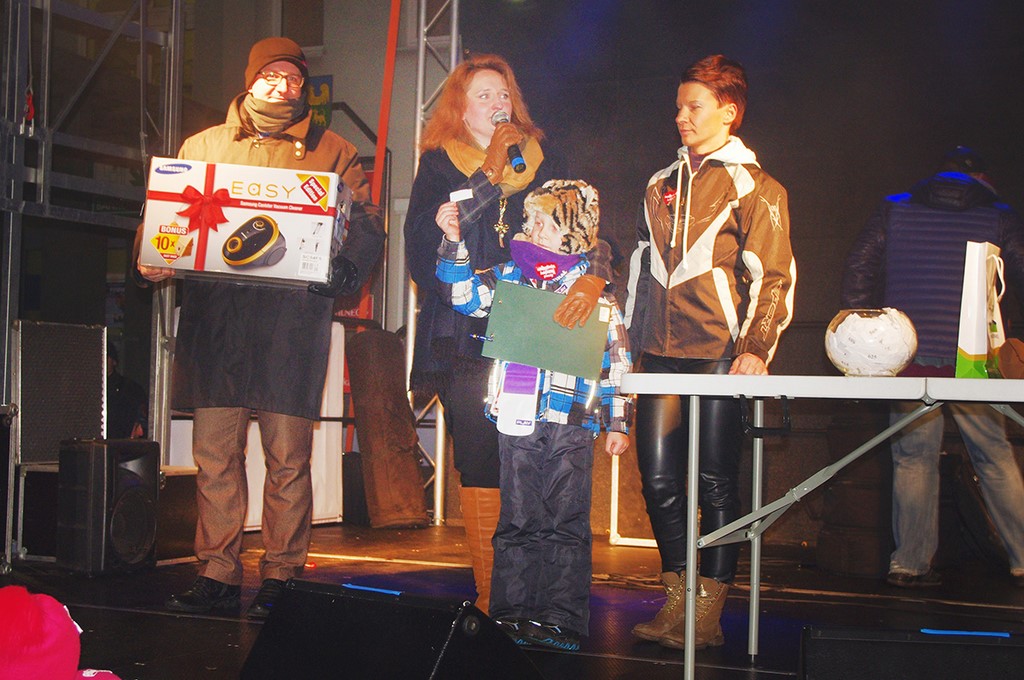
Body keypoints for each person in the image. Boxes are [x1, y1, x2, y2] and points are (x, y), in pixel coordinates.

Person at [135, 37, 385, 618]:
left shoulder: (335, 150)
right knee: (214, 457)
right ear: (250, 81)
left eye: (293, 77)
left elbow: (368, 222)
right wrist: (149, 252)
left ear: (303, 86)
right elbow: (164, 213)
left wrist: (347, 269)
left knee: (288, 459)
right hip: (217, 322)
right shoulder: (203, 146)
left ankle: (281, 575)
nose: (282, 84)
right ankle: (217, 573)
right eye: (270, 74)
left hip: (290, 325)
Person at [403, 54, 611, 614]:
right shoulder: (439, 167)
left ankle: (544, 603)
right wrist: (487, 176)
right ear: (459, 108)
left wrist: (594, 275)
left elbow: (590, 230)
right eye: (484, 95)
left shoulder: (545, 162)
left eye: (504, 95)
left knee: (542, 461)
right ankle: (495, 598)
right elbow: (423, 255)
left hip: (536, 336)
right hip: (466, 335)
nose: (498, 105)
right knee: (480, 458)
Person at [623, 55, 795, 650]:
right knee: (657, 479)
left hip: (719, 352)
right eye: (678, 106)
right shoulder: (658, 184)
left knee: (716, 482)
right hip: (657, 353)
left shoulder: (757, 185)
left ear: (729, 111)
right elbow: (640, 269)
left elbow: (774, 276)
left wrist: (755, 348)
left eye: (693, 106)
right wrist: (626, 345)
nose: (681, 117)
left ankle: (708, 610)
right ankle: (678, 596)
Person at [436, 179, 633, 651]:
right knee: (517, 518)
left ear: (572, 231)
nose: (534, 228)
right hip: (517, 416)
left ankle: (561, 620)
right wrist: (453, 241)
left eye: (546, 222)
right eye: (531, 220)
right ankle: (510, 615)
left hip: (571, 422)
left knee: (566, 521)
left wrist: (618, 421)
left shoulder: (594, 290)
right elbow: (463, 297)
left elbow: (617, 361)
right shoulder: (510, 276)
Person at [841, 146, 1024, 589]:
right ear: (981, 178)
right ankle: (1023, 558)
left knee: (913, 459)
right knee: (994, 456)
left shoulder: (895, 208)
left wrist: (859, 329)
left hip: (907, 353)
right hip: (973, 359)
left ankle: (909, 563)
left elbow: (860, 264)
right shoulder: (998, 214)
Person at [106, 343, 147, 439]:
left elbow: (141, 418)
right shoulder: (88, 389)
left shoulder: (130, 388)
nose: (101, 362)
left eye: (105, 357)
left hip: (121, 442)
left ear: (114, 361)